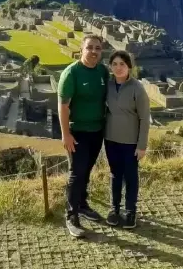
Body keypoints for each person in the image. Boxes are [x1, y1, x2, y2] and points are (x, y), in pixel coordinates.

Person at [58, 34, 109, 238]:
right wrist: (66, 135)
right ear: (82, 49)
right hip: (77, 131)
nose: (94, 52)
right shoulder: (72, 73)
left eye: (97, 48)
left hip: (97, 131)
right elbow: (63, 107)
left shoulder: (102, 71)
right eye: (90, 48)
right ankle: (71, 215)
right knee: (77, 173)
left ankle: (82, 204)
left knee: (87, 170)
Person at [104, 50, 150, 229]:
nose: (118, 68)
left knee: (130, 177)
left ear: (129, 66)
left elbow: (145, 118)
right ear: (110, 67)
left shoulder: (137, 88)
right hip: (111, 138)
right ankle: (114, 209)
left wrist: (142, 145)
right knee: (115, 175)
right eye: (114, 64)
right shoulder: (108, 85)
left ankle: (130, 212)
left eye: (122, 64)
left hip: (131, 142)